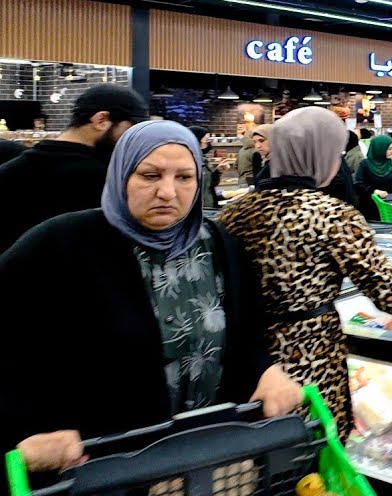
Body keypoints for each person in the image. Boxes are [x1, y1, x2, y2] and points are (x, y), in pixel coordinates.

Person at [1, 121, 300, 475]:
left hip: (207, 458)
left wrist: (266, 371)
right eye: (150, 175)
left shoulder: (217, 242)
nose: (168, 193)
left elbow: (245, 333)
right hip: (101, 468)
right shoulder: (58, 246)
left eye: (184, 177)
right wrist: (20, 435)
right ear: (122, 175)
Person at [219, 107, 392, 438]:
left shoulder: (233, 213)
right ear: (317, 155)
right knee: (313, 458)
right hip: (308, 361)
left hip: (246, 362)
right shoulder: (331, 214)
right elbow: (388, 291)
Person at [0, 84, 147, 253]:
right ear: (101, 120)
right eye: (132, 128)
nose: (134, 139)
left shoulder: (12, 169)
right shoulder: (106, 180)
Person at [353, 134, 392, 221]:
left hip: (391, 207)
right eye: (389, 149)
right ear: (379, 149)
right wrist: (374, 191)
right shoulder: (365, 165)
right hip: (371, 209)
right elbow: (358, 184)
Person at [188, 126, 230, 209]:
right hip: (199, 207)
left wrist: (218, 172)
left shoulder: (203, 159)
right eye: (206, 140)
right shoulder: (190, 160)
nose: (208, 143)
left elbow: (210, 184)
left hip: (207, 205)